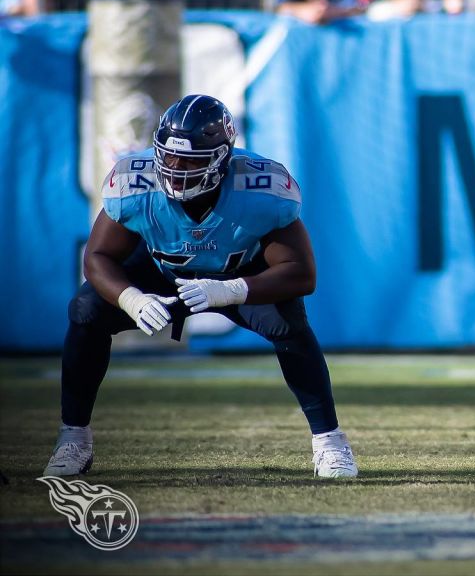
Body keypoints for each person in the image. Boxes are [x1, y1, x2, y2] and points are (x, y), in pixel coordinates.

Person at [42, 95, 357, 479]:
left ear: (222, 158)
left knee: (287, 322)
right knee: (86, 310)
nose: (175, 169)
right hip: (160, 271)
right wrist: (132, 298)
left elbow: (301, 273)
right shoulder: (135, 182)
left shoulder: (260, 188)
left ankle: (330, 441)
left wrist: (228, 291)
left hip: (238, 271)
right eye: (169, 157)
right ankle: (74, 438)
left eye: (190, 161)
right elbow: (98, 258)